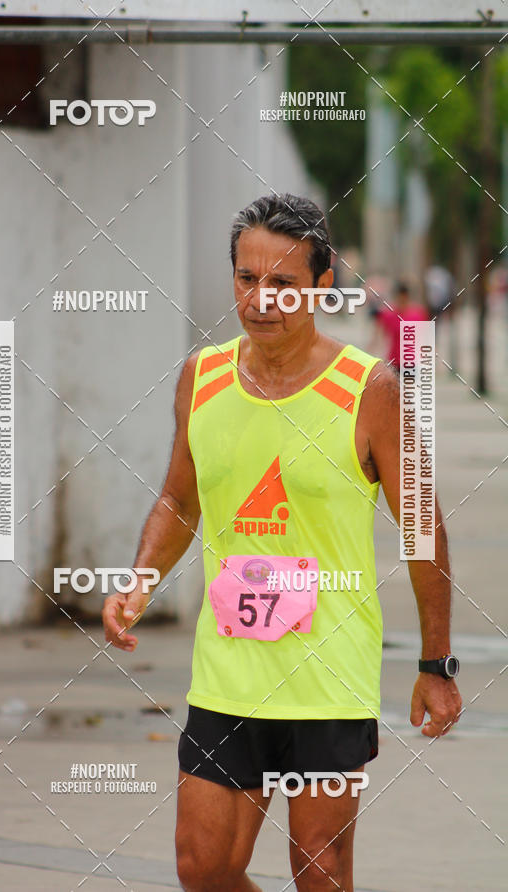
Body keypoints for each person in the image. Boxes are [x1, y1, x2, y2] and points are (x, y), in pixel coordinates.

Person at [102, 193, 462, 892]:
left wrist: (436, 661)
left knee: (318, 871)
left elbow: (422, 524)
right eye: (247, 278)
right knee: (203, 868)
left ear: (322, 286)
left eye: (283, 284)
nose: (261, 299)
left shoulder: (370, 389)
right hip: (229, 673)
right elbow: (180, 498)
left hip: (329, 680)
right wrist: (140, 579)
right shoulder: (200, 380)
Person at [377, 281, 429, 369]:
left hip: (412, 361)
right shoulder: (388, 314)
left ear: (407, 297)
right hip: (394, 360)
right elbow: (380, 335)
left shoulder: (418, 313)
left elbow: (425, 336)